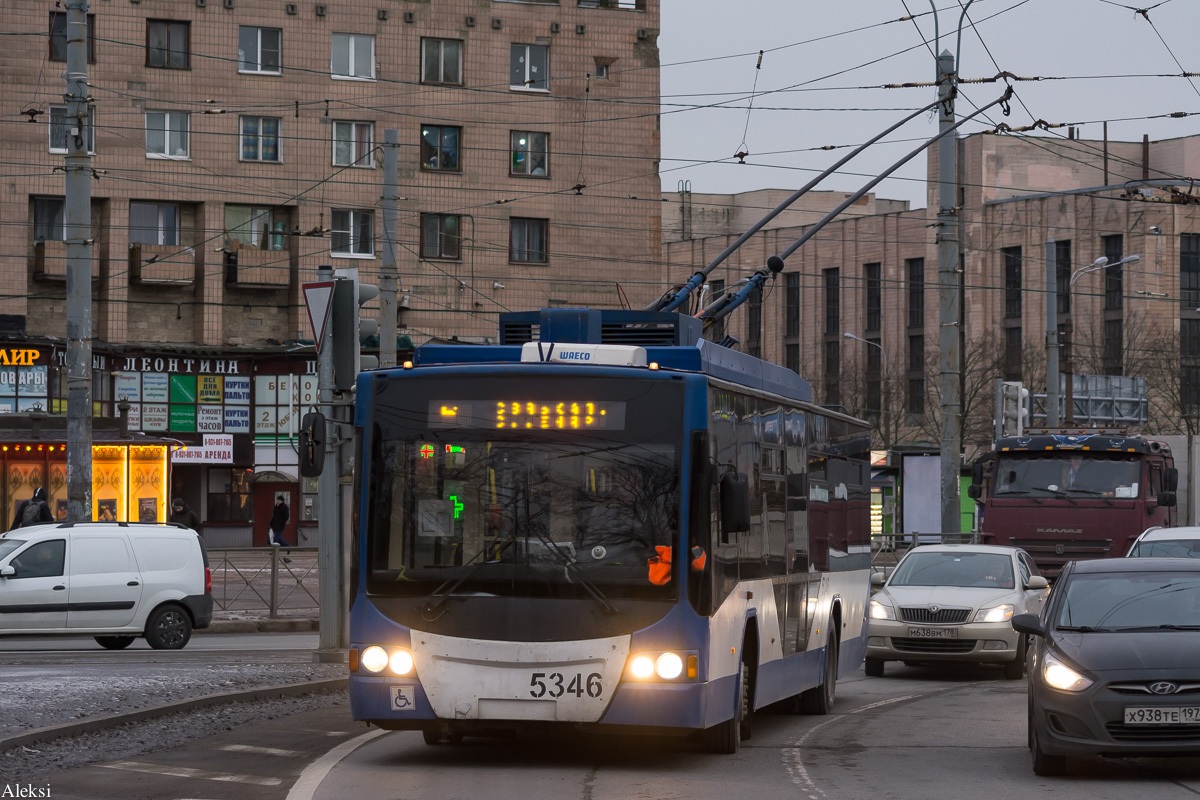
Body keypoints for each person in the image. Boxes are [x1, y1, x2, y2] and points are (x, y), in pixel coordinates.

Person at [269, 495, 291, 563]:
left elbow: (286, 516)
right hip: (275, 525)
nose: (277, 501)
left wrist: (282, 522)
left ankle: (274, 551)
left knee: (276, 538)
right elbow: (273, 516)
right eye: (277, 500)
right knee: (278, 539)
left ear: (281, 501)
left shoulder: (284, 507)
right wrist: (270, 524)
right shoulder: (275, 507)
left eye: (278, 500)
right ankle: (288, 546)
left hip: (280, 525)